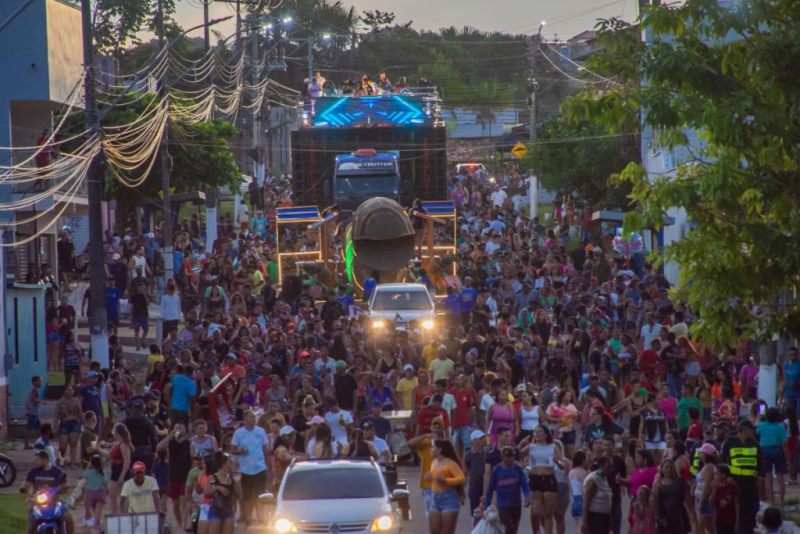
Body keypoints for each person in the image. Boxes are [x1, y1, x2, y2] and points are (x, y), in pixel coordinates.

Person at [522, 425, 565, 534]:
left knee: (548, 514)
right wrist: (521, 444)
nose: (537, 434)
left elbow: (562, 465)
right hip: (535, 478)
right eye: (535, 432)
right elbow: (517, 454)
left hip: (549, 478)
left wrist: (557, 462)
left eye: (540, 432)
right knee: (536, 512)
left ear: (546, 434)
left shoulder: (553, 447)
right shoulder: (531, 447)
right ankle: (536, 531)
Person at [720, 419, 760, 534]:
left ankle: (749, 528)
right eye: (750, 430)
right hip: (735, 481)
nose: (752, 432)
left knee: (752, 506)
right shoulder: (730, 442)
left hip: (751, 483)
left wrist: (760, 476)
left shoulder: (755, 444)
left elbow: (760, 462)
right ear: (743, 430)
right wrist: (727, 476)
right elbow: (723, 461)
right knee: (736, 507)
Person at [231, 409, 269, 525]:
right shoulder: (238, 433)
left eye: (254, 417)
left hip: (260, 468)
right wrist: (239, 450)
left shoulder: (261, 431)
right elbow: (232, 449)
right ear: (245, 418)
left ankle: (261, 517)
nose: (253, 419)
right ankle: (247, 517)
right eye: (251, 417)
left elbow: (265, 448)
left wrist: (267, 465)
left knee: (261, 494)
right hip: (245, 469)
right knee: (247, 496)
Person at [23, 450, 74, 534]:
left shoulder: (58, 472)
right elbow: (26, 485)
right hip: (37, 501)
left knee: (69, 518)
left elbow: (65, 487)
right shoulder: (33, 471)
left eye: (38, 460)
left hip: (55, 500)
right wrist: (26, 492)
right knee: (31, 524)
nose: (36, 462)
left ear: (45, 460)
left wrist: (61, 491)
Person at [484, 445, 531, 534]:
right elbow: (490, 489)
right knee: (509, 527)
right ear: (503, 457)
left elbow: (524, 483)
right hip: (503, 504)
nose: (510, 459)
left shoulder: (518, 469)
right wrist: (487, 506)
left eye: (512, 456)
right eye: (508, 457)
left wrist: (527, 495)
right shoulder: (497, 470)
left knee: (514, 527)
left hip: (516, 503)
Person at [425, 439, 465, 534]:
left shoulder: (451, 463)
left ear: (439, 450)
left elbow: (461, 478)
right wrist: (429, 477)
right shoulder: (433, 462)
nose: (431, 449)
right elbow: (435, 479)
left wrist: (446, 480)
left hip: (449, 498)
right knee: (434, 531)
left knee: (447, 532)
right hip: (434, 497)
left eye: (433, 447)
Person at [157, 422, 192, 529]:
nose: (179, 429)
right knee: (175, 504)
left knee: (183, 501)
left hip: (185, 476)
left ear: (185, 430)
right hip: (173, 476)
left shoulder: (188, 443)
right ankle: (180, 524)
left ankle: (185, 525)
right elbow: (159, 447)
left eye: (181, 427)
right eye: (177, 427)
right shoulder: (171, 443)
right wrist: (170, 435)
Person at [756, 406, 787, 506]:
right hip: (777, 450)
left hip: (765, 450)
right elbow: (784, 443)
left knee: (768, 476)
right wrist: (786, 456)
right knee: (780, 476)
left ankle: (771, 501)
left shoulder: (761, 426)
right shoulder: (780, 427)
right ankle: (782, 501)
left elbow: (756, 430)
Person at [652, 459, 692, 534]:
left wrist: (692, 515)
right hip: (664, 517)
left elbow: (688, 500)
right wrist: (657, 518)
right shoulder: (658, 484)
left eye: (671, 467)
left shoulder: (680, 481)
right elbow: (655, 501)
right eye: (667, 467)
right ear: (662, 469)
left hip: (679, 516)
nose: (669, 469)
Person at [204, 452, 241, 534]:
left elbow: (239, 495)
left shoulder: (232, 479)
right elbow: (206, 494)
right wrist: (217, 488)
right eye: (230, 463)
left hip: (228, 510)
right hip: (215, 510)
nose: (232, 466)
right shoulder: (212, 477)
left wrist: (237, 482)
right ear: (223, 464)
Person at [581, 456, 613, 534]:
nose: (610, 470)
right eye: (608, 467)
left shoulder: (604, 478)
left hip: (604, 516)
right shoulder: (593, 480)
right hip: (595, 516)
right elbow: (586, 501)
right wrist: (584, 521)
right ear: (601, 466)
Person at [55, 384, 83, 469]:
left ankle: (72, 463)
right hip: (64, 423)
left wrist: (84, 422)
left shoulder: (76, 401)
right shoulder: (60, 402)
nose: (71, 391)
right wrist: (55, 424)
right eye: (69, 390)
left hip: (75, 422)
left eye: (72, 390)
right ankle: (61, 461)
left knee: (73, 444)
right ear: (64, 391)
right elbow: (56, 414)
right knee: (63, 445)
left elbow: (80, 412)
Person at [108, 423, 133, 514]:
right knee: (113, 495)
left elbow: (127, 462)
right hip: (115, 470)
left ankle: (124, 514)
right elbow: (109, 456)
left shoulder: (123, 445)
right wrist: (98, 449)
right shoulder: (116, 443)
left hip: (121, 471)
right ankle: (115, 514)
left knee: (123, 496)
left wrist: (122, 475)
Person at [463, 429, 487, 525]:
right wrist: (462, 489)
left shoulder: (487, 453)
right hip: (474, 485)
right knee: (474, 512)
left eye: (483, 438)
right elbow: (465, 471)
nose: (483, 440)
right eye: (480, 439)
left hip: (485, 485)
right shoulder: (468, 455)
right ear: (474, 441)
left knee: (487, 510)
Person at [693, 443, 717, 534]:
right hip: (700, 498)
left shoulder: (709, 467)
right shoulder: (705, 466)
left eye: (701, 453)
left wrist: (701, 502)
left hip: (704, 500)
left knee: (700, 526)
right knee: (708, 526)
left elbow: (707, 486)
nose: (700, 455)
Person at [82, 453, 107, 531]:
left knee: (94, 509)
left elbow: (84, 475)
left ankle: (97, 524)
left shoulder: (89, 472)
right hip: (100, 493)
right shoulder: (102, 473)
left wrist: (89, 465)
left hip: (90, 494)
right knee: (98, 510)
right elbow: (105, 482)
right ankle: (96, 526)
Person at [25, 375, 43, 449]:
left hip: (34, 413)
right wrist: (40, 401)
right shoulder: (34, 390)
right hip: (33, 413)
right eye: (39, 381)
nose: (40, 383)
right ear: (34, 382)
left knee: (40, 428)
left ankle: (40, 442)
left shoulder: (35, 390)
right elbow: (33, 398)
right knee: (29, 429)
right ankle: (26, 444)